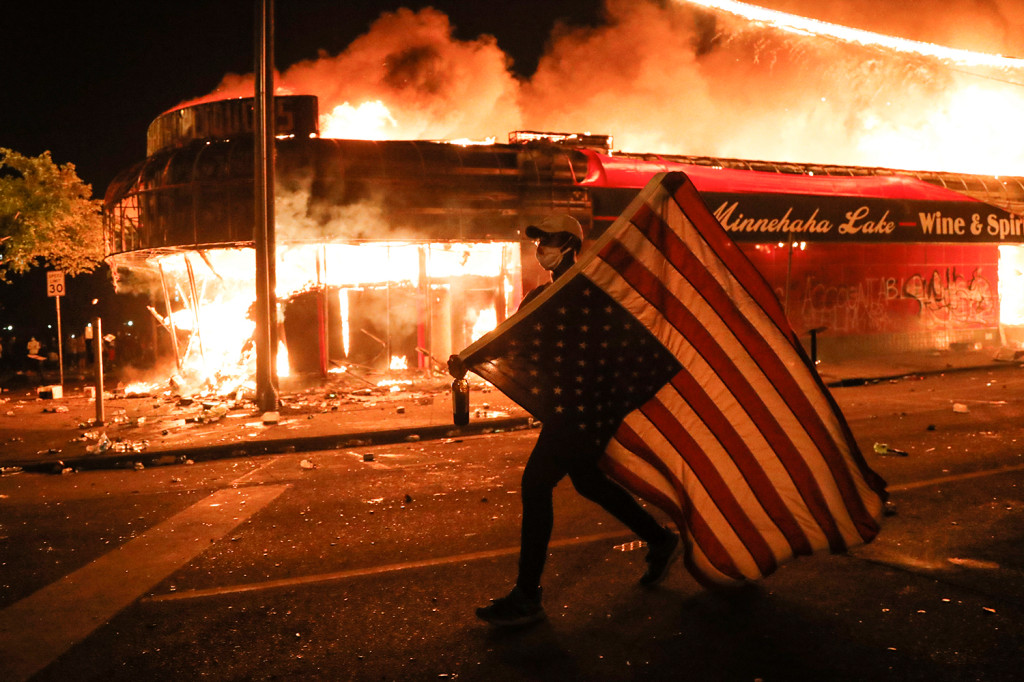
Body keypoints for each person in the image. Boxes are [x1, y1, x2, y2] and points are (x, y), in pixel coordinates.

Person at [449, 214, 680, 628]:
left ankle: (527, 596)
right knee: (587, 481)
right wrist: (468, 357)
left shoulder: (589, 289)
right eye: (538, 242)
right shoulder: (541, 295)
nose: (542, 250)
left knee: (535, 484)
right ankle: (660, 540)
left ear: (571, 244)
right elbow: (510, 338)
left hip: (587, 409)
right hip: (569, 409)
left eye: (550, 241)